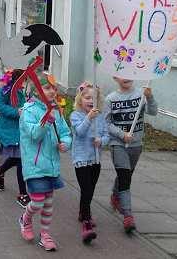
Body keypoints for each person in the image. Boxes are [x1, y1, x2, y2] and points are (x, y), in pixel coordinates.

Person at [19, 72, 72, 251]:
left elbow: (65, 132)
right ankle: (25, 219)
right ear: (36, 90)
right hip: (34, 165)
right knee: (38, 201)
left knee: (48, 202)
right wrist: (46, 122)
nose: (52, 91)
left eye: (54, 88)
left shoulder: (56, 110)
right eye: (47, 88)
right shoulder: (28, 110)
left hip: (52, 164)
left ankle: (45, 234)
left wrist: (66, 143)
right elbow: (34, 135)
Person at [105, 77, 158, 233]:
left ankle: (116, 195)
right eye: (123, 74)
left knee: (126, 174)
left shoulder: (140, 95)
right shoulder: (110, 99)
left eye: (130, 74)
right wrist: (122, 135)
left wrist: (149, 97)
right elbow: (107, 123)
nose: (127, 77)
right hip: (118, 144)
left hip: (136, 145)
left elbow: (153, 112)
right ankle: (128, 215)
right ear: (115, 77)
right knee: (125, 177)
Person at [70, 81, 109, 243]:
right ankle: (86, 222)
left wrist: (102, 141)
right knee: (86, 188)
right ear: (80, 99)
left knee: (90, 190)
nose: (90, 101)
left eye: (93, 98)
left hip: (95, 159)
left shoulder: (100, 117)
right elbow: (79, 132)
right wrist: (88, 118)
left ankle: (82, 212)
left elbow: (107, 135)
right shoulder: (75, 116)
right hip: (81, 159)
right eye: (87, 98)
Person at [0, 69, 30, 208]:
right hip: (10, 130)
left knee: (19, 158)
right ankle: (23, 194)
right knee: (21, 160)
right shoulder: (6, 90)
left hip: (23, 130)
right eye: (23, 80)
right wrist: (16, 112)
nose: (24, 83)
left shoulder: (23, 91)